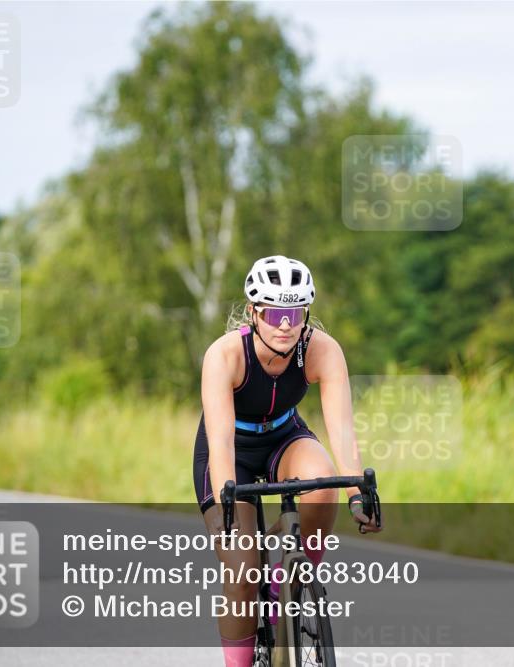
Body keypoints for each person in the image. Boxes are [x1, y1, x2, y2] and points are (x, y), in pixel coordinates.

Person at [194, 255, 381, 667]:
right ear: (253, 313)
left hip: (284, 436)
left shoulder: (322, 350)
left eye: (295, 312)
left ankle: (287, 588)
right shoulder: (225, 355)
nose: (285, 323)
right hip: (232, 453)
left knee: (322, 481)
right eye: (275, 311)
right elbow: (221, 441)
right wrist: (228, 509)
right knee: (242, 574)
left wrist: (358, 495)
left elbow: (342, 430)